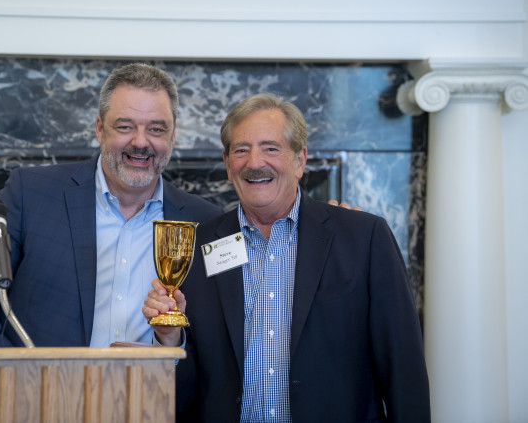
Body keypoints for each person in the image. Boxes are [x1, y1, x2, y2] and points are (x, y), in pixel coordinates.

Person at [143, 93, 431, 422]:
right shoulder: (199, 247)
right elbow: (186, 396)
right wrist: (170, 339)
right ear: (227, 164)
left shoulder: (363, 237)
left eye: (271, 148)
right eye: (241, 150)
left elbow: (403, 369)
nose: (254, 163)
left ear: (300, 159)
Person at [0, 63, 222, 347]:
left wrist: (171, 341)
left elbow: (218, 341)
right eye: (125, 126)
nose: (140, 142)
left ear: (172, 137)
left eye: (156, 129)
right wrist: (15, 379)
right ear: (100, 129)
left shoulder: (206, 222)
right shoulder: (31, 194)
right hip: (43, 388)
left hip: (154, 390)